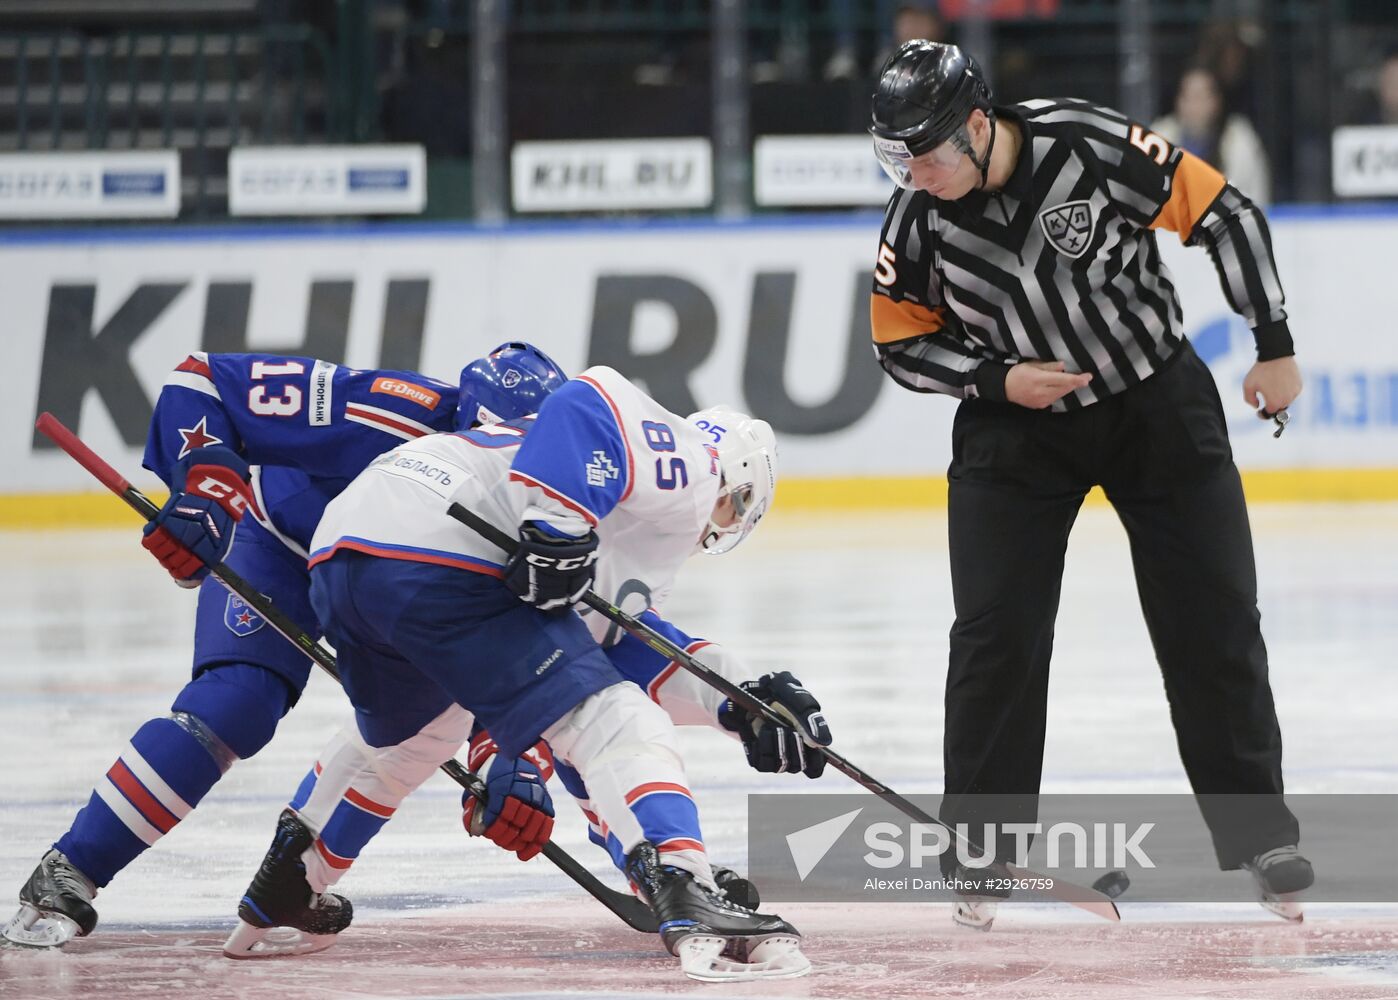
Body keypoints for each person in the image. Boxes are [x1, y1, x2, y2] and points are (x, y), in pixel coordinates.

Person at [867, 40, 1311, 931]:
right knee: (996, 634)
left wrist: (1273, 342)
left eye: (928, 152)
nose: (915, 172)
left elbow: (1224, 212)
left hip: (1153, 402)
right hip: (1013, 432)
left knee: (1214, 616)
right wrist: (998, 383)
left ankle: (1262, 836)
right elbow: (898, 343)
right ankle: (984, 855)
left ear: (979, 123)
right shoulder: (917, 219)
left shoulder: (1087, 143)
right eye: (899, 157)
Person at [223, 366, 813, 981]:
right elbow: (592, 397)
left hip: (349, 547)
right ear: (736, 478)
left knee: (419, 733)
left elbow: (620, 650)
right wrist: (558, 521)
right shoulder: (690, 471)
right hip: (436, 541)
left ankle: (291, 882)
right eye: (738, 504)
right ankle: (689, 891)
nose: (724, 518)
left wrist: (737, 699)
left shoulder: (618, 518)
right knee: (617, 724)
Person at [2, 343, 567, 949]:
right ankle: (73, 868)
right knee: (235, 705)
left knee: (417, 726)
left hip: (398, 592)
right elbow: (202, 379)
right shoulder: (388, 410)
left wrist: (506, 756)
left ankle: (292, 885)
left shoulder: (543, 502)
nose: (498, 463)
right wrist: (207, 487)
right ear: (463, 420)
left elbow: (507, 642)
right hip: (282, 550)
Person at [1153, 65, 1271, 205]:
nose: (1194, 106)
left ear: (1216, 101)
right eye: (1187, 97)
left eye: (1200, 97)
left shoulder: (1240, 141)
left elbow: (1256, 199)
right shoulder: (1158, 137)